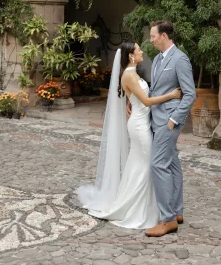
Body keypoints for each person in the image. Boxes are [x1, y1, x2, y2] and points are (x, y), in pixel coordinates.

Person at [76, 41, 182, 229]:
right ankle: (139, 208)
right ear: (131, 56)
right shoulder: (129, 75)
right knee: (147, 164)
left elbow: (134, 97)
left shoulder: (132, 74)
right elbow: (147, 101)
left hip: (141, 122)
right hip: (140, 127)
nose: (142, 51)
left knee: (138, 164)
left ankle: (144, 205)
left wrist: (129, 102)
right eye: (138, 49)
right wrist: (171, 95)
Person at [145, 20, 196, 237]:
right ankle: (177, 211)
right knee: (172, 163)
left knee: (158, 164)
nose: (151, 40)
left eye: (153, 36)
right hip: (157, 117)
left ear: (164, 35)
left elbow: (190, 93)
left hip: (169, 119)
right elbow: (156, 89)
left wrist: (174, 119)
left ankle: (167, 220)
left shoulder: (180, 59)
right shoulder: (157, 59)